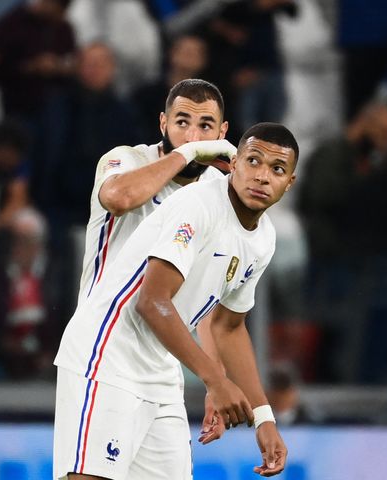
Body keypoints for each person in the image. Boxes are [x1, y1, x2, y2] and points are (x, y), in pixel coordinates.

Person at [54, 122, 298, 479]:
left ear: (289, 183)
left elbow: (229, 327)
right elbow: (152, 301)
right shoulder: (199, 204)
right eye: (253, 161)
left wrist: (264, 418)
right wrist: (215, 379)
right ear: (234, 164)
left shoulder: (264, 239)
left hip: (160, 369)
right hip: (106, 355)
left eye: (276, 169)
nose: (262, 176)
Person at [73, 78, 237, 444]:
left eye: (205, 126)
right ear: (162, 123)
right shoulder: (126, 159)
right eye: (182, 122)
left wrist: (215, 379)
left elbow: (207, 296)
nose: (192, 134)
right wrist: (190, 154)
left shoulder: (217, 193)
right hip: (103, 349)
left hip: (162, 363)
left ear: (222, 131)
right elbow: (118, 197)